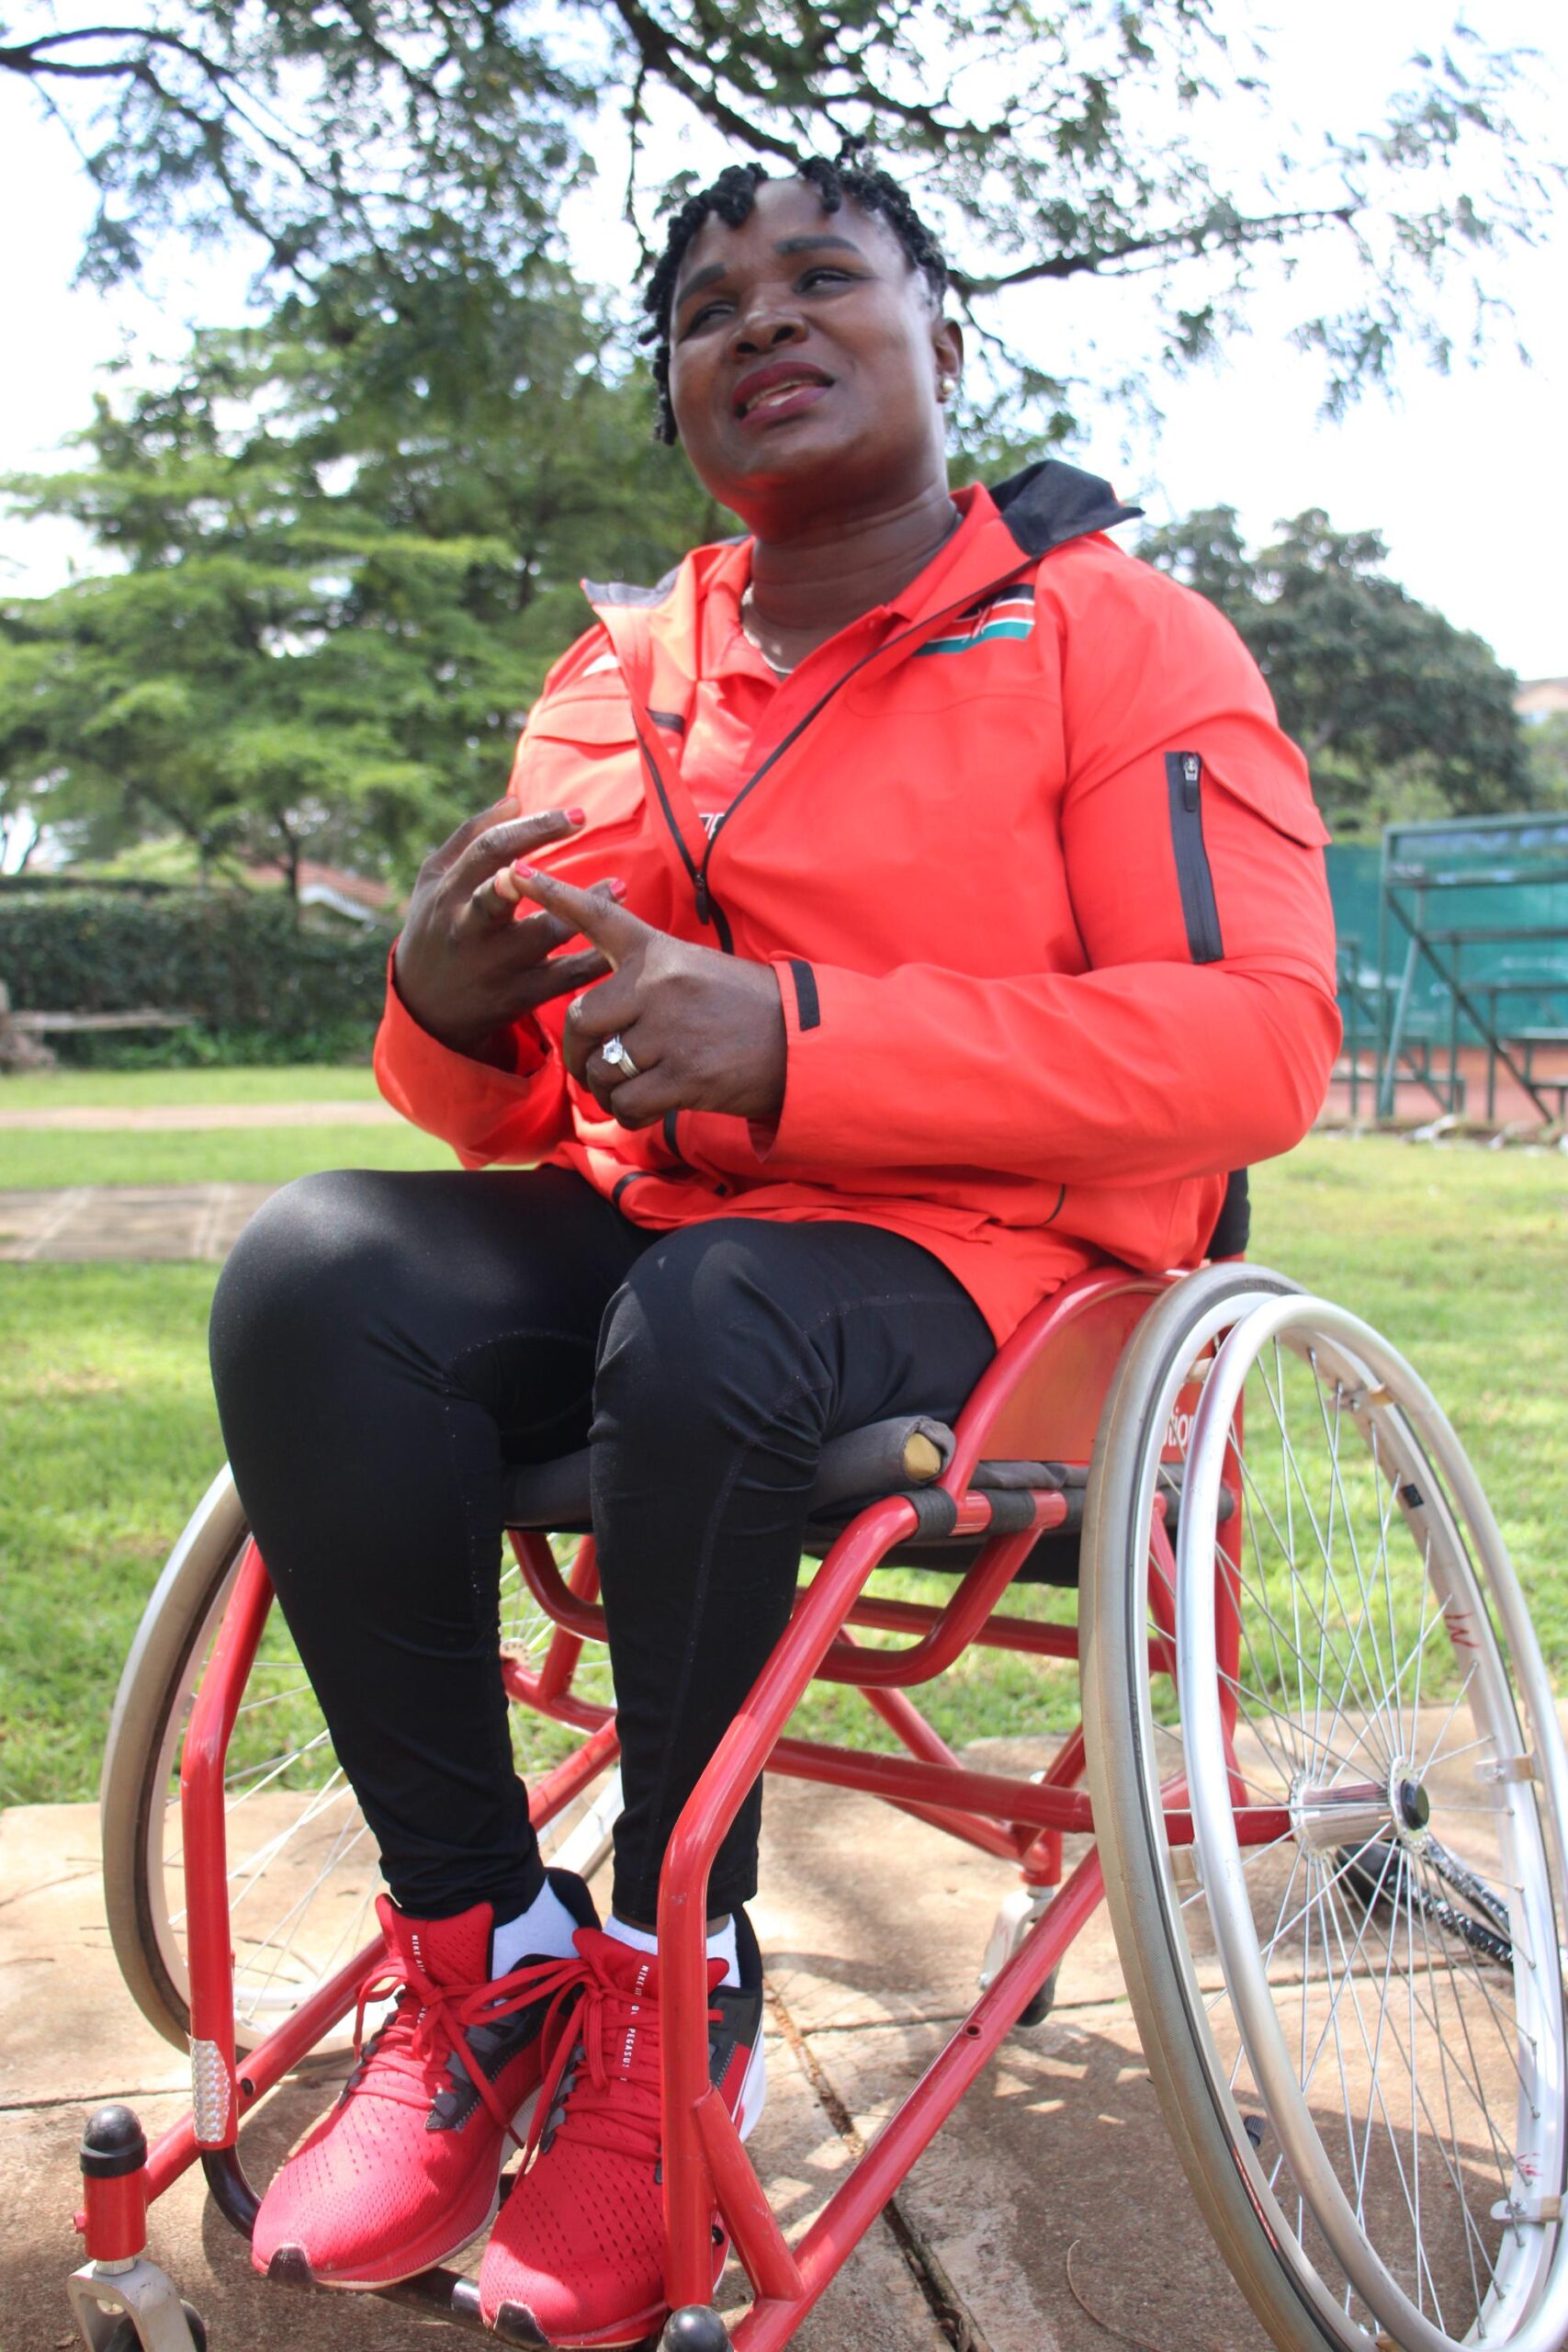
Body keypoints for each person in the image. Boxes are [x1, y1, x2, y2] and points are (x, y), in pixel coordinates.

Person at [209, 148, 1340, 2346]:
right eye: (707, 306)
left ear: (945, 342)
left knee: (713, 1314)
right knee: (319, 1272)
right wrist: (446, 1018)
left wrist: (802, 1044)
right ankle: (484, 1956)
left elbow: (1250, 1042)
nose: (763, 320)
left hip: (1009, 1278)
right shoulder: (623, 673)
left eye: (826, 276)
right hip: (681, 1245)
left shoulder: (1113, 630)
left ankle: (667, 1986)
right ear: (675, 402)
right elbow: (527, 1092)